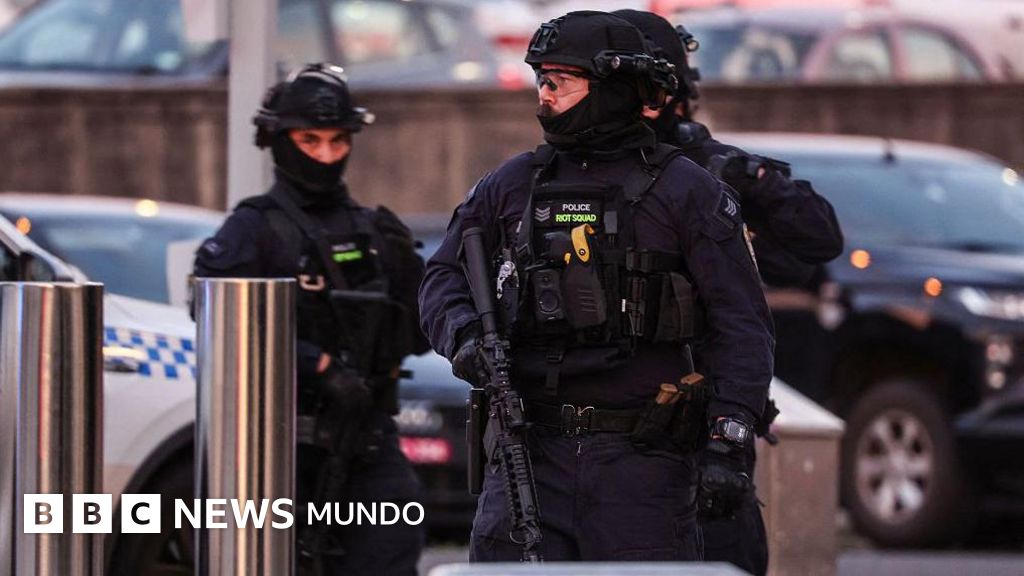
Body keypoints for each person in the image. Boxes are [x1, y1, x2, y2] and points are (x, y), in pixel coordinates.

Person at [419, 11, 774, 562]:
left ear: (608, 88)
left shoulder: (687, 192)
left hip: (643, 468)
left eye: (559, 82)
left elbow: (743, 325)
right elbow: (442, 277)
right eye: (541, 80)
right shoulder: (513, 184)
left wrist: (728, 441)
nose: (543, 95)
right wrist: (464, 339)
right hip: (527, 455)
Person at [612, 9, 845, 576]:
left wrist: (749, 178)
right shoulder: (571, 175)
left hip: (703, 421)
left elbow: (817, 237)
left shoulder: (709, 171)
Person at [193, 63, 427, 576]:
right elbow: (218, 320)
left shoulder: (373, 229)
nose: (325, 155)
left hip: (368, 439)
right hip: (281, 446)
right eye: (309, 139)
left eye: (338, 141)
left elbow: (420, 331)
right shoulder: (251, 229)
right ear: (277, 140)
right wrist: (317, 365)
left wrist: (408, 271)